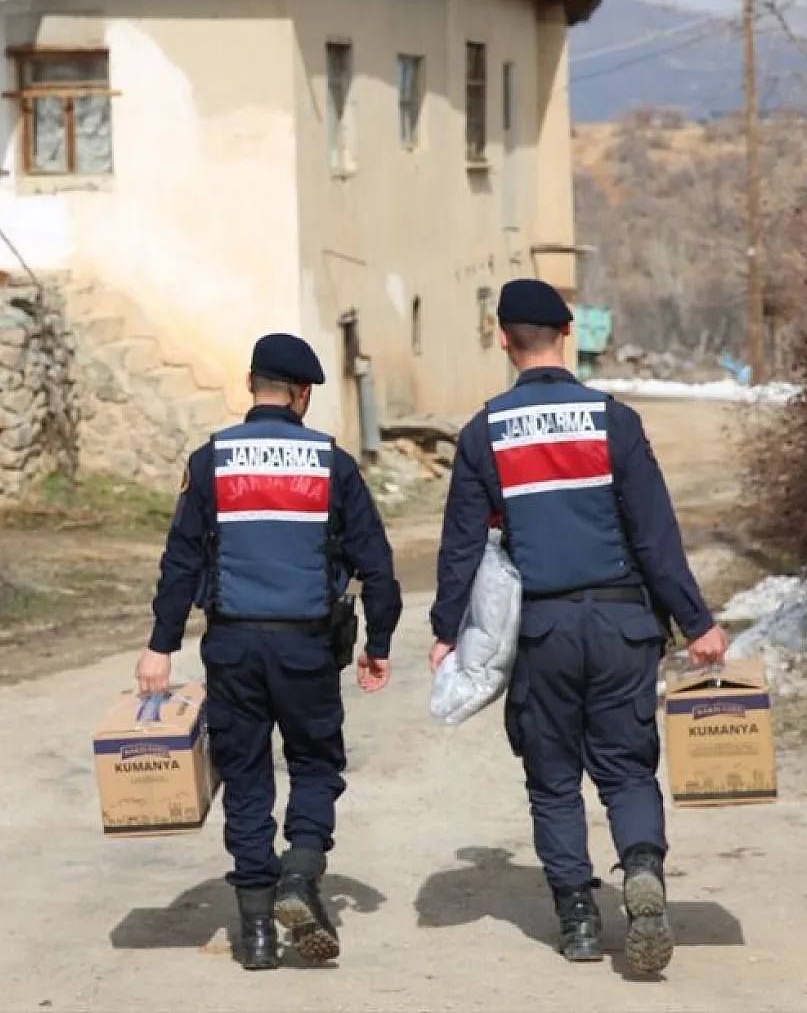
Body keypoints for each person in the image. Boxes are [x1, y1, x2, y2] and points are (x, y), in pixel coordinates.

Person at [428, 279, 731, 976]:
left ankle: (579, 919)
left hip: (543, 632)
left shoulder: (484, 432)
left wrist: (448, 629)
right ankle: (645, 874)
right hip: (625, 622)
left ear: (503, 339)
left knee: (553, 778)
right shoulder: (612, 421)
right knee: (626, 768)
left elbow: (461, 545)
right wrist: (697, 621)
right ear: (567, 331)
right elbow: (654, 533)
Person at [135, 332, 402, 971]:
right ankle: (301, 877)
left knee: (248, 777)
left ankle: (255, 931)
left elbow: (179, 562)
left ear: (250, 384)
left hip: (231, 647)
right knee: (314, 766)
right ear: (303, 395)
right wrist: (379, 641)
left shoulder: (211, 461)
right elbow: (378, 564)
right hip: (307, 648)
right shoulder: (331, 463)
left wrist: (160, 648)